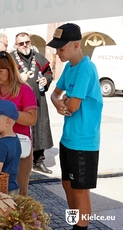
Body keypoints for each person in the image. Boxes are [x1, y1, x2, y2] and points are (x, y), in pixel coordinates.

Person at [48, 23, 103, 230]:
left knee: (80, 190)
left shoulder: (85, 69)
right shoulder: (70, 67)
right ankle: (74, 224)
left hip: (84, 141)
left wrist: (62, 101)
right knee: (67, 185)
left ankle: (81, 227)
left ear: (76, 45)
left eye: (61, 49)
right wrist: (57, 102)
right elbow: (56, 93)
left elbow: (73, 105)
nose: (58, 53)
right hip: (68, 138)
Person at [0, 51, 37, 196]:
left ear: (10, 70)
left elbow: (32, 119)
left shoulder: (24, 90)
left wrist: (7, 111)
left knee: (19, 192)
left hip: (19, 149)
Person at [11, 32, 54, 174]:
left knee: (40, 129)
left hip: (38, 100)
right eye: (21, 43)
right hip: (19, 101)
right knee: (20, 130)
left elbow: (48, 72)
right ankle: (18, 161)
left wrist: (46, 80)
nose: (25, 45)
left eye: (27, 42)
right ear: (16, 45)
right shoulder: (11, 59)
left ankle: (38, 161)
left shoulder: (39, 57)